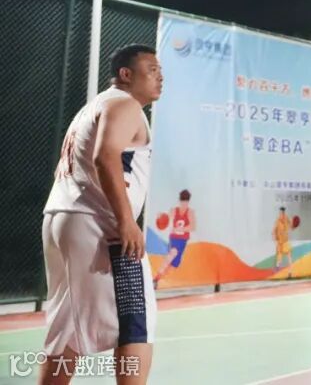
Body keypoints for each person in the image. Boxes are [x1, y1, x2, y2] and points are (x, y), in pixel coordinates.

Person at [40, 44, 163, 385]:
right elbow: (105, 157)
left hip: (61, 218)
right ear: (126, 74)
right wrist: (126, 221)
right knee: (135, 320)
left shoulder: (91, 108)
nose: (160, 77)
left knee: (67, 327)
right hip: (98, 224)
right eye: (152, 70)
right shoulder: (125, 104)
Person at [153, 189, 196, 288]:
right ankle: (155, 279)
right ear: (180, 201)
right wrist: (160, 216)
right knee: (172, 253)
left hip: (183, 241)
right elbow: (166, 218)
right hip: (174, 238)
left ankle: (157, 279)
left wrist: (181, 228)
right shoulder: (174, 210)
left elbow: (192, 226)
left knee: (173, 265)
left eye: (185, 202)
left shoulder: (190, 212)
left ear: (188, 202)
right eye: (182, 202)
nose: (184, 204)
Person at [273, 207, 293, 275]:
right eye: (281, 212)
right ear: (280, 213)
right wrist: (276, 239)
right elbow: (274, 230)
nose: (282, 213)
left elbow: (291, 226)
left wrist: (293, 225)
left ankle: (290, 272)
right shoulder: (277, 221)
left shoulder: (287, 218)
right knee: (279, 257)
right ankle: (277, 268)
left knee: (289, 256)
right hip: (280, 242)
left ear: (284, 212)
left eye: (283, 212)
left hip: (286, 241)